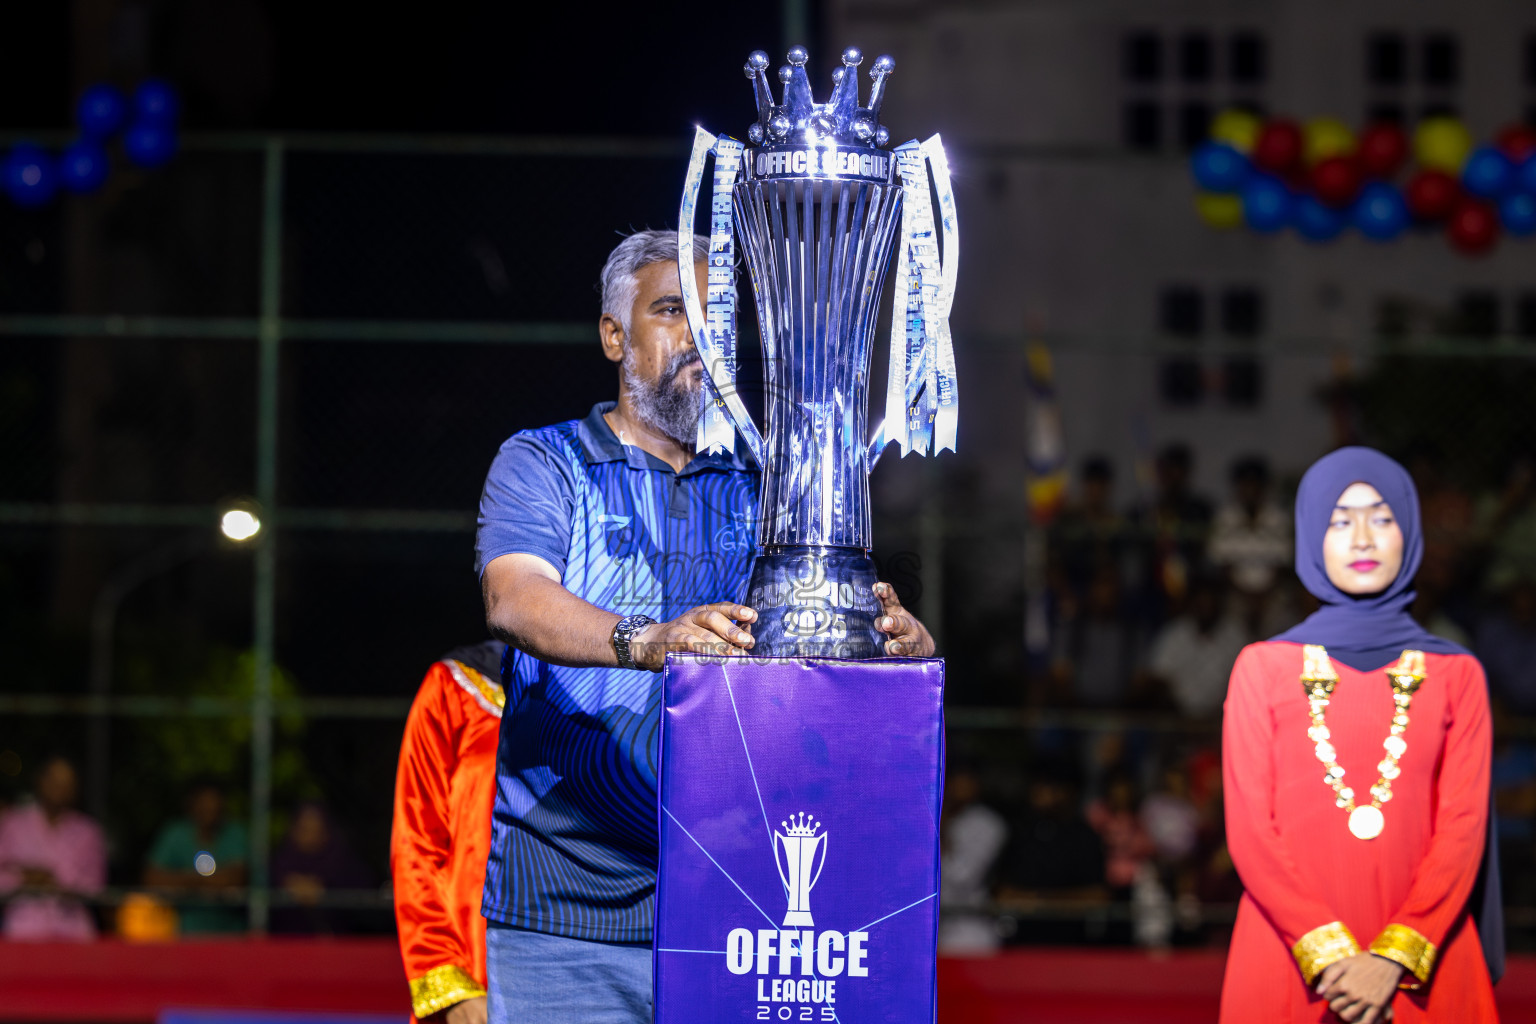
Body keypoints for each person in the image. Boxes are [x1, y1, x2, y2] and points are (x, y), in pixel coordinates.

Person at [474, 231, 934, 1023]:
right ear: (614, 336)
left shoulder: (776, 488)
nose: (699, 335)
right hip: (565, 906)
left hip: (739, 906)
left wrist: (890, 652)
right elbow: (515, 599)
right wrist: (648, 640)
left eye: (716, 315)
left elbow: (814, 662)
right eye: (670, 310)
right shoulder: (545, 461)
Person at [1220, 447, 1497, 1023]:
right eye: (1340, 520)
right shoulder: (1262, 667)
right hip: (1290, 956)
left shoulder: (1457, 673)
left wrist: (1391, 960)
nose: (1363, 538)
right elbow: (1250, 831)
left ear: (1410, 531)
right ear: (1311, 536)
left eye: (1382, 517)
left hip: (1424, 959)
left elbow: (1463, 829)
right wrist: (1333, 956)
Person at [392, 640, 505, 1024]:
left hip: (592, 959)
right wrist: (451, 987)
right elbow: (415, 844)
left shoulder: (627, 685)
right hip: (477, 971)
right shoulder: (457, 685)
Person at [0, 755, 105, 940]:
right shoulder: (13, 824)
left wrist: (57, 881)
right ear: (41, 781)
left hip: (73, 932)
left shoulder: (87, 831)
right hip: (22, 931)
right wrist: (23, 877)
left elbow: (94, 886)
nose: (60, 789)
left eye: (67, 783)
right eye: (54, 781)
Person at [144, 778, 249, 934]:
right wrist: (203, 882)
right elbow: (152, 878)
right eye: (203, 805)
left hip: (230, 934)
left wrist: (183, 882)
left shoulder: (235, 834)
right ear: (192, 805)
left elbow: (236, 878)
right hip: (182, 933)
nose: (209, 809)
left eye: (213, 805)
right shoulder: (175, 834)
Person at [1146, 574, 1248, 719]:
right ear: (1191, 601)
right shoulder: (1174, 634)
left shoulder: (1236, 636)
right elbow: (1158, 678)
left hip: (1221, 720)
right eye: (1200, 600)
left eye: (1210, 599)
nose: (1205, 605)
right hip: (1177, 719)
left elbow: (1246, 685)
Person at [270, 800, 371, 935]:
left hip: (337, 945)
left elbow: (364, 902)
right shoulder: (279, 861)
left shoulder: (343, 861)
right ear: (293, 830)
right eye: (305, 830)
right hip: (285, 943)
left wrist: (324, 892)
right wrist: (288, 885)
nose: (311, 837)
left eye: (317, 831)